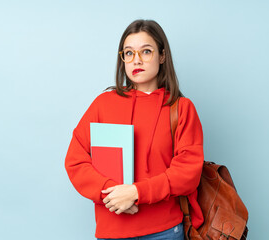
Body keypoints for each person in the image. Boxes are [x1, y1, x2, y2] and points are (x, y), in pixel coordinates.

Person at [65, 19, 204, 239]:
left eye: (146, 51)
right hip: (113, 231)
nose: (136, 60)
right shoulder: (103, 104)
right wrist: (112, 194)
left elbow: (188, 173)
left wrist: (136, 192)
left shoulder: (181, 108)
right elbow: (75, 161)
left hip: (164, 231)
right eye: (129, 53)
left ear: (162, 56)